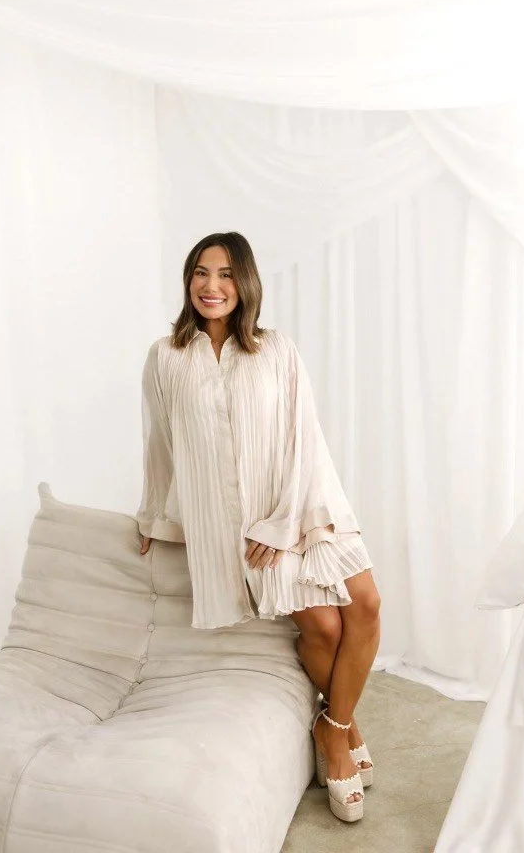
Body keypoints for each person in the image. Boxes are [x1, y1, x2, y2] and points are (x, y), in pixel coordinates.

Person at [136, 231, 381, 823]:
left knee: (366, 604)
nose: (211, 285)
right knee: (322, 627)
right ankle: (341, 734)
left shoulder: (277, 349)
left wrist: (283, 521)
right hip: (240, 529)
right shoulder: (166, 356)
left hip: (302, 503)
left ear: (245, 282)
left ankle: (333, 727)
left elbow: (305, 436)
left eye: (223, 273)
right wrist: (152, 515)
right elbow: (161, 446)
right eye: (199, 272)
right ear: (188, 282)